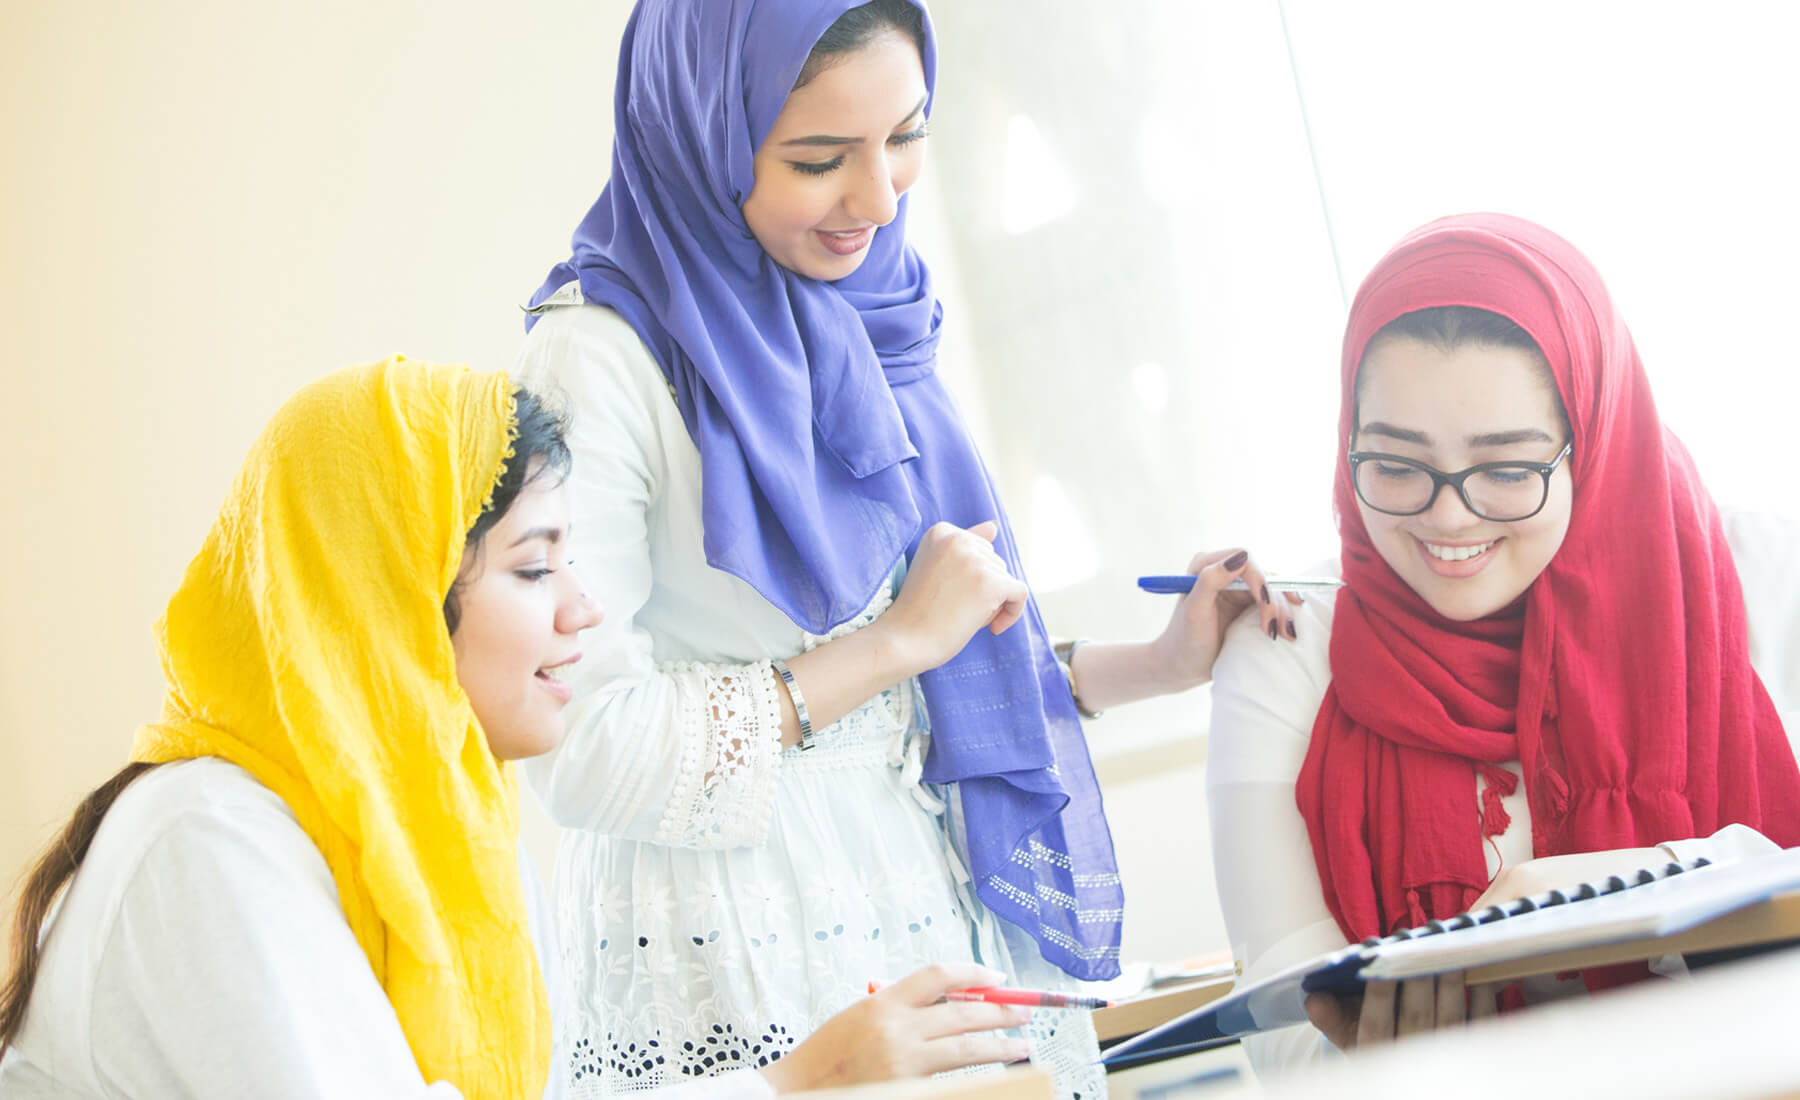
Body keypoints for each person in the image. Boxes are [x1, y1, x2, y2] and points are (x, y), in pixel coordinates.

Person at [514, 0, 1294, 1094]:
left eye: (907, 136)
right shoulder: (595, 361)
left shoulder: (873, 311)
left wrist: (1158, 663)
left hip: (927, 910)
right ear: (701, 130)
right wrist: (890, 641)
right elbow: (578, 747)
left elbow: (934, 676)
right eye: (820, 157)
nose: (878, 198)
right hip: (741, 954)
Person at [0, 358, 1041, 1098]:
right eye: (535, 565)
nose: (581, 608)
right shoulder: (208, 837)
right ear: (386, 599)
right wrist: (799, 1077)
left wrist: (817, 1068)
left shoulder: (450, 837)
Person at [1204, 213, 1800, 1077]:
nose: (1449, 517)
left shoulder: (1760, 578)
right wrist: (1406, 1067)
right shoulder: (1285, 646)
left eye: (1509, 470)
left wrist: (1628, 889)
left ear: (1590, 442)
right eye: (1396, 465)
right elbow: (1285, 1032)